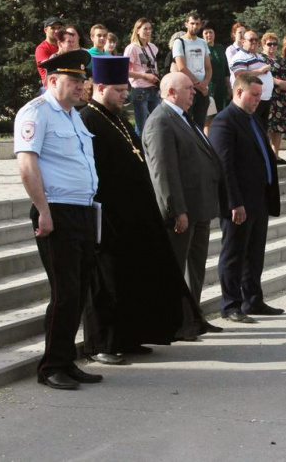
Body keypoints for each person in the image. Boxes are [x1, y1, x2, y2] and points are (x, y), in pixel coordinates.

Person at [80, 57, 212, 366]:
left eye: (125, 89)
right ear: (100, 87)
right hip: (108, 216)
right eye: (118, 90)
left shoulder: (117, 119)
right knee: (106, 283)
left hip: (132, 217)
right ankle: (102, 343)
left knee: (130, 280)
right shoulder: (89, 119)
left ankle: (128, 337)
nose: (124, 95)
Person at [13, 49, 102, 390]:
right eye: (74, 80)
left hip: (82, 210)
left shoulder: (73, 116)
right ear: (52, 81)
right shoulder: (36, 113)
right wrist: (44, 210)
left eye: (82, 80)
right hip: (57, 212)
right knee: (65, 291)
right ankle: (51, 367)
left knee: (79, 291)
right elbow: (27, 165)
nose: (81, 86)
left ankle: (67, 360)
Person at [142, 72, 224, 328]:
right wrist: (176, 209)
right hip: (182, 210)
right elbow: (163, 171)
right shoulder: (160, 121)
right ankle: (177, 322)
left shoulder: (184, 118)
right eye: (188, 88)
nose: (194, 92)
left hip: (199, 206)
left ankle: (193, 317)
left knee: (196, 267)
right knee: (178, 268)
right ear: (171, 92)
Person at [208, 73, 284, 323]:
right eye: (253, 95)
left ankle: (253, 300)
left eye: (259, 96)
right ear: (238, 92)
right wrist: (233, 202)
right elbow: (224, 167)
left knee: (254, 253)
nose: (257, 101)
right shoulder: (224, 122)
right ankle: (230, 304)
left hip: (258, 199)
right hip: (239, 202)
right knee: (234, 253)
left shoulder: (253, 120)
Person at [172, 12, 212, 131]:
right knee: (186, 125)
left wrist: (205, 83)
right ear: (186, 24)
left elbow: (209, 67)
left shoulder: (203, 42)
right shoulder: (179, 42)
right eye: (192, 23)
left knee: (200, 125)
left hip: (202, 90)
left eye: (197, 24)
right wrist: (199, 85)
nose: (195, 26)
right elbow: (182, 68)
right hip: (187, 88)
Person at [124, 18, 160, 135]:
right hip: (140, 90)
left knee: (155, 124)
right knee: (142, 127)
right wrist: (144, 75)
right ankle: (140, 152)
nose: (148, 31)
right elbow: (124, 71)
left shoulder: (153, 47)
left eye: (150, 29)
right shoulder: (132, 48)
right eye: (145, 29)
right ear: (137, 30)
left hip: (153, 88)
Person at [229, 30, 273, 124]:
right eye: (251, 39)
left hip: (265, 99)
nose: (254, 42)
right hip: (251, 100)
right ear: (243, 42)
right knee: (251, 128)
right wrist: (260, 71)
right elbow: (240, 75)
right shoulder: (239, 57)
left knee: (262, 129)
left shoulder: (260, 56)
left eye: (256, 40)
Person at [260, 32, 286, 162]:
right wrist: (279, 82)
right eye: (269, 44)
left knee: (279, 127)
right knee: (268, 126)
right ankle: (266, 155)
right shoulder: (260, 58)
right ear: (263, 44)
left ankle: (275, 155)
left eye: (274, 44)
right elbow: (263, 74)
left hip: (281, 97)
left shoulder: (279, 59)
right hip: (269, 96)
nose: (272, 47)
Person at [203, 26, 231, 125]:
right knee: (209, 117)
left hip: (221, 87)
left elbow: (226, 70)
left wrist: (229, 87)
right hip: (209, 86)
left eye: (210, 32)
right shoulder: (202, 49)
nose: (208, 35)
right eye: (206, 33)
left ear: (214, 34)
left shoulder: (220, 48)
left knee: (222, 115)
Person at [35, 17, 62, 87]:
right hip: (51, 87)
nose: (56, 31)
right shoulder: (42, 48)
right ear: (45, 30)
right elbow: (49, 67)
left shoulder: (63, 45)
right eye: (53, 28)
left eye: (59, 28)